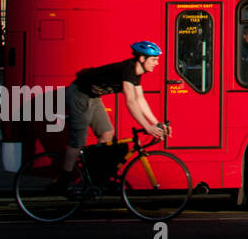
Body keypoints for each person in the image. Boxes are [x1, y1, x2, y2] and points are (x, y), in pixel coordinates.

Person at [56, 40, 170, 189]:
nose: (157, 63)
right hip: (79, 94)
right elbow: (131, 102)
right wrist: (147, 127)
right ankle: (63, 181)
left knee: (107, 133)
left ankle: (94, 177)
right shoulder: (127, 70)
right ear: (142, 59)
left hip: (93, 97)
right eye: (154, 59)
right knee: (78, 140)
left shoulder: (136, 74)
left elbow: (140, 99)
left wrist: (156, 123)